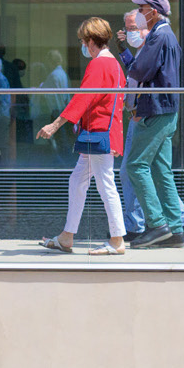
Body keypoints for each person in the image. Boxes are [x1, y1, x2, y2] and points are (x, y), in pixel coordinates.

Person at [35, 17, 129, 255]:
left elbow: (83, 98)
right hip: (103, 134)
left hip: (98, 133)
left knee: (105, 184)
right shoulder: (114, 65)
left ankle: (117, 240)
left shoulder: (99, 65)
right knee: (78, 182)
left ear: (90, 41)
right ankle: (67, 237)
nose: (82, 46)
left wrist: (56, 124)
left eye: (82, 41)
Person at [117, 10, 184, 242]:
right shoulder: (159, 40)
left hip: (148, 112)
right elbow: (137, 71)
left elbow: (139, 73)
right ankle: (178, 225)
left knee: (134, 167)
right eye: (127, 28)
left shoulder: (158, 39)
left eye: (133, 27)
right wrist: (124, 51)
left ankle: (153, 224)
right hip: (153, 111)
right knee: (160, 171)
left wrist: (133, 105)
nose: (130, 32)